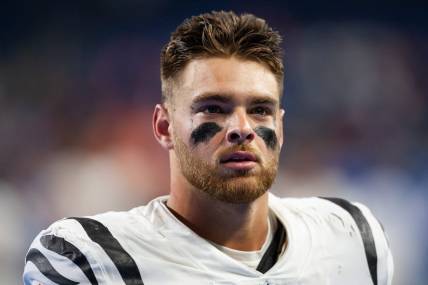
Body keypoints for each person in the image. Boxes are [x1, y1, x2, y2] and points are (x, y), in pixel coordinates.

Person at [23, 11, 393, 285]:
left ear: (279, 127)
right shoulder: (91, 258)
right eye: (214, 108)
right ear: (164, 126)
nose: (242, 129)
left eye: (260, 110)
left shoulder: (351, 237)